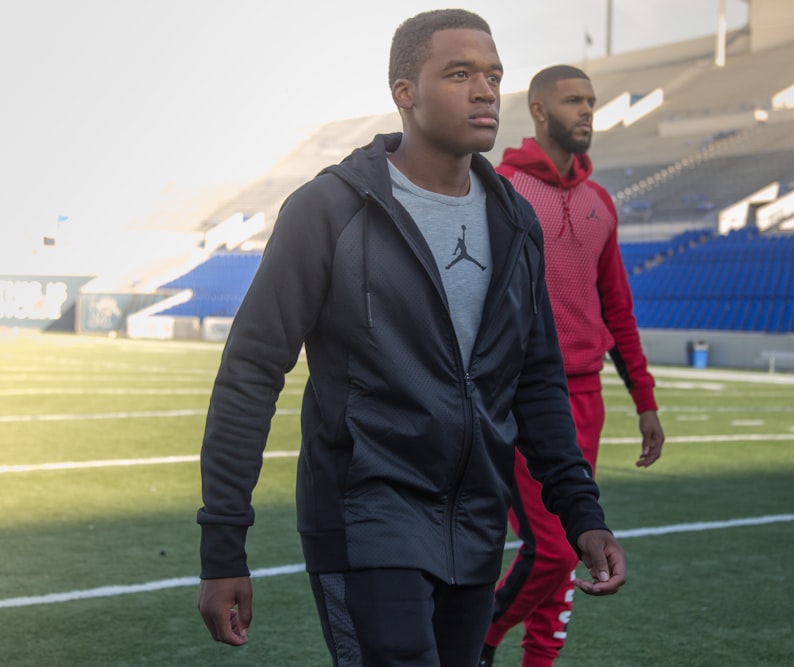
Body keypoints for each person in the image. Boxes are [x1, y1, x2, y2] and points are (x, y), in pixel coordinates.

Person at [196, 11, 626, 667]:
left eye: (493, 75)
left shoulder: (514, 220)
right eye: (459, 74)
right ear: (405, 91)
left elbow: (534, 379)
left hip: (477, 522)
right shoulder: (330, 210)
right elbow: (251, 373)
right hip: (364, 518)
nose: (485, 91)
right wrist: (223, 542)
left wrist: (581, 512)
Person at [481, 65, 665, 667]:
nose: (586, 111)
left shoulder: (600, 203)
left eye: (590, 101)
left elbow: (617, 307)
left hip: (586, 400)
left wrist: (645, 399)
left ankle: (539, 662)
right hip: (521, 398)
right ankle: (473, 645)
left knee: (576, 544)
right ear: (538, 111)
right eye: (572, 101)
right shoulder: (501, 189)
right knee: (555, 549)